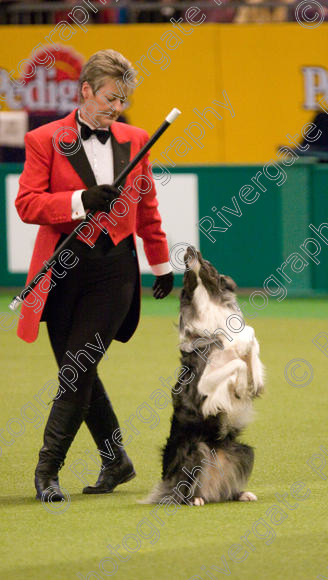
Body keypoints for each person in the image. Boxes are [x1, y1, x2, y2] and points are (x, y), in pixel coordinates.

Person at [15, 49, 174, 501]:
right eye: (108, 98)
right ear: (85, 91)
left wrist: (160, 262)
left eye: (122, 100)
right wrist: (80, 200)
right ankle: (116, 460)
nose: (115, 108)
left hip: (114, 272)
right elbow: (27, 205)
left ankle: (46, 473)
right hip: (62, 272)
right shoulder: (45, 139)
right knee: (78, 371)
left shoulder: (136, 138)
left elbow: (147, 209)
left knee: (76, 369)